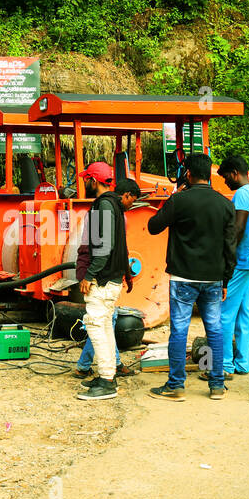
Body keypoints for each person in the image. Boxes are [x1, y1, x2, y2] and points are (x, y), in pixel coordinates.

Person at [146, 152, 237, 401]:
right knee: (215, 330)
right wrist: (226, 280)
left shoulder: (179, 201)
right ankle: (217, 385)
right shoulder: (225, 205)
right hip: (214, 279)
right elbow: (231, 248)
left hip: (183, 277)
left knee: (179, 330)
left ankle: (176, 385)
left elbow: (154, 227)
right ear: (209, 175)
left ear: (188, 173)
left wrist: (173, 199)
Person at [75, 169, 138, 401]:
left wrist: (89, 275)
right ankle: (108, 374)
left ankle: (107, 381)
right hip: (111, 277)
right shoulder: (114, 206)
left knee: (95, 325)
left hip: (102, 279)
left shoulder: (103, 206)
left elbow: (103, 246)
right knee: (103, 328)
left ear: (93, 181)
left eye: (85, 179)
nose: (84, 183)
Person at [215, 155, 249, 379]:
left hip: (240, 260)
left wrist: (226, 258)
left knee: (225, 314)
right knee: (244, 312)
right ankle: (243, 363)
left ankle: (224, 365)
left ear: (235, 173)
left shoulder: (242, 194)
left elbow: (238, 228)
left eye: (226, 177)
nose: (226, 182)